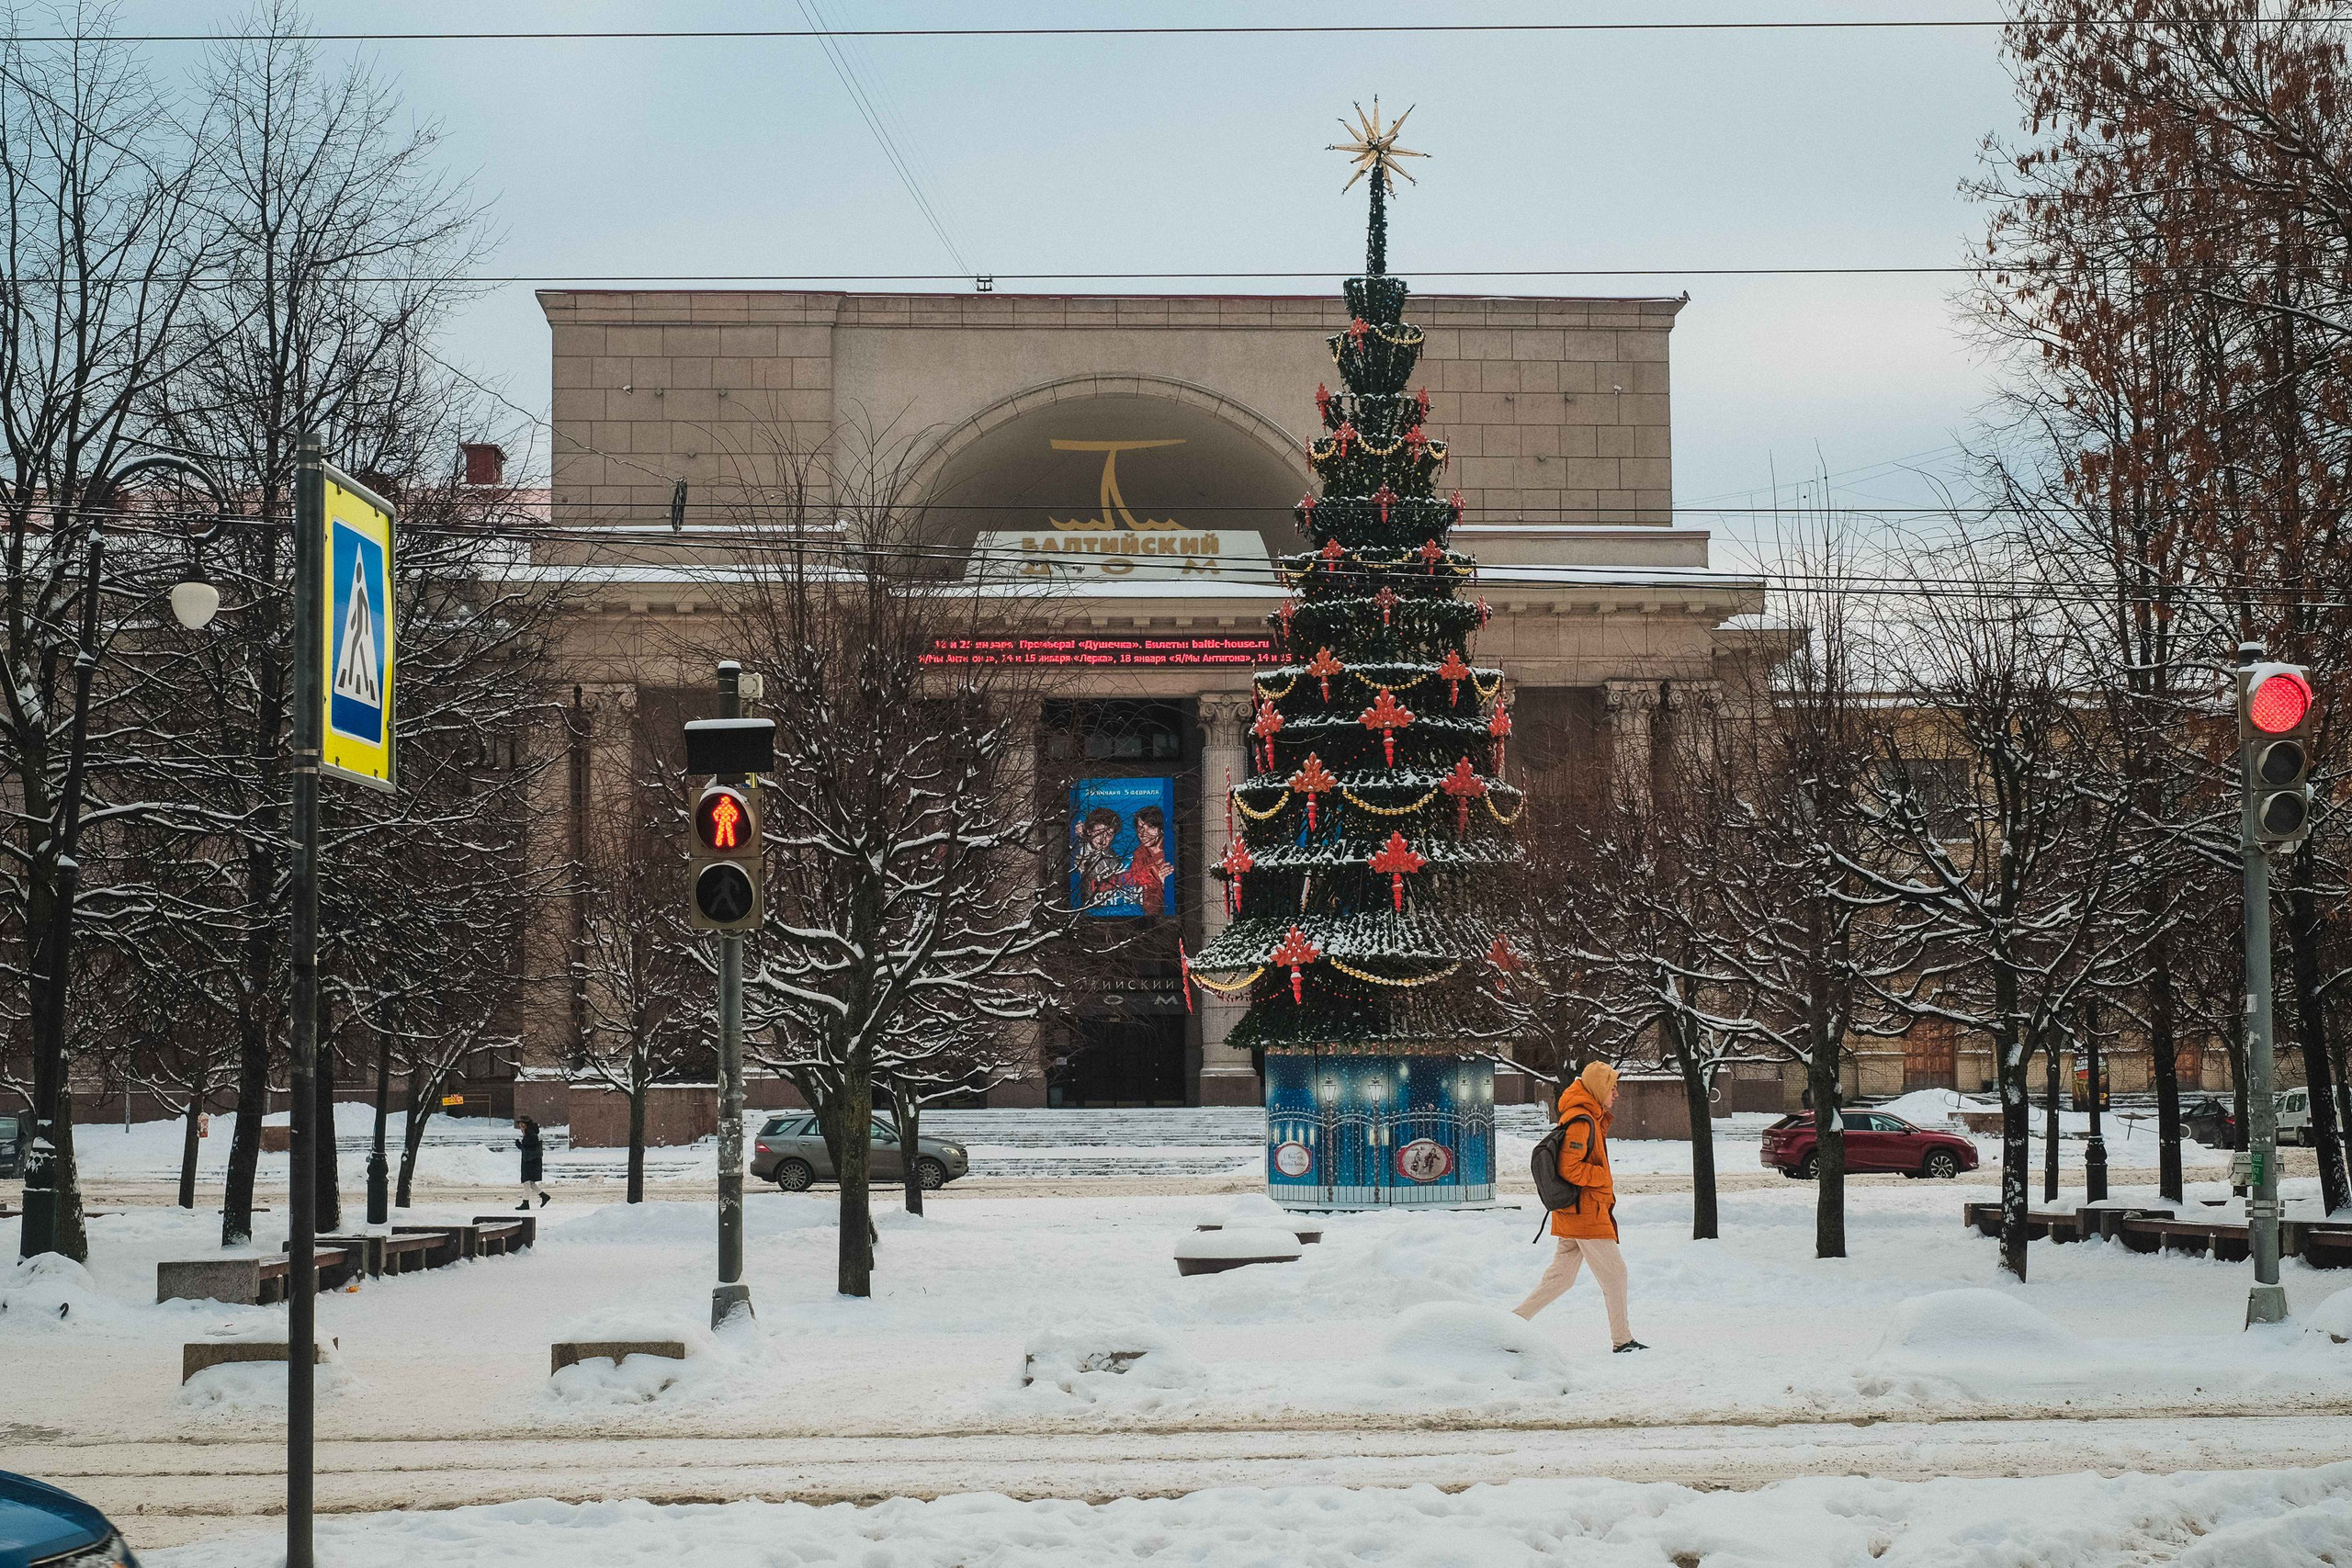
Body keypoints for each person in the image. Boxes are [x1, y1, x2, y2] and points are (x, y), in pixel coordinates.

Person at [1514, 1060, 1645, 1351]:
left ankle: (1512, 1323)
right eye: (1613, 1087)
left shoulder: (1589, 1118)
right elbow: (1570, 1167)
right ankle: (1622, 1341)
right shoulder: (1582, 1122)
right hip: (1587, 1215)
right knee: (1615, 1275)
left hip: (1578, 1213)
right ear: (1599, 1089)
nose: (1617, 1094)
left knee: (1559, 1279)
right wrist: (1602, 1176)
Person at [1121, 806, 1173, 917]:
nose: (1144, 833)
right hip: (1146, 917)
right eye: (1140, 828)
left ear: (1161, 828)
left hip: (1167, 918)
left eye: (1150, 827)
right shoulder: (1139, 855)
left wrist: (1166, 885)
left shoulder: (1171, 851)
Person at [515, 1116, 548, 1210]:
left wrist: (520, 1146)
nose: (521, 1126)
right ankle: (544, 1196)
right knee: (530, 1183)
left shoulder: (531, 1134)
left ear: (527, 1125)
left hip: (531, 1162)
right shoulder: (529, 1133)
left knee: (526, 1182)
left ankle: (525, 1203)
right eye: (520, 1124)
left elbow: (530, 1148)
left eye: (522, 1124)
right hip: (530, 1161)